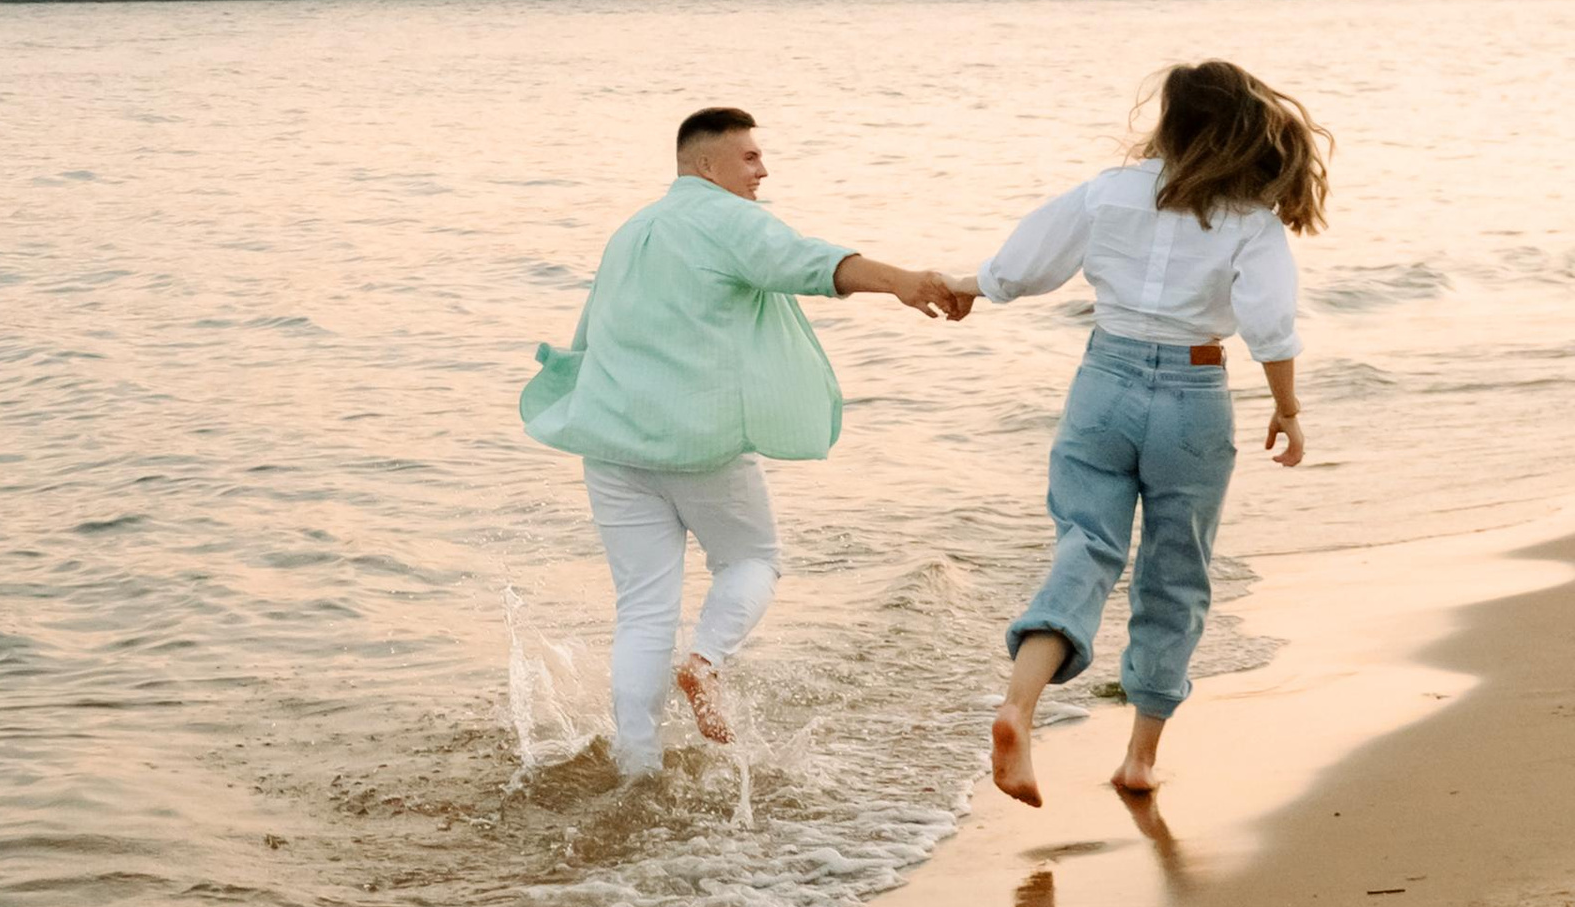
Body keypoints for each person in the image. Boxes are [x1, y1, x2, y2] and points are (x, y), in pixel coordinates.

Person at [523, 104, 971, 779]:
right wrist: (904, 282)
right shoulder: (726, 220)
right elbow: (811, 263)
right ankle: (703, 663)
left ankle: (636, 768)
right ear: (707, 165)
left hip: (611, 439)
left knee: (643, 610)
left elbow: (592, 330)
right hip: (697, 442)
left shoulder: (631, 230)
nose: (763, 169)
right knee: (753, 559)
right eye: (751, 157)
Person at [979, 57, 1327, 807]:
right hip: (1194, 394)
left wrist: (967, 287)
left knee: (1087, 546)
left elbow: (1020, 266)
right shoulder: (1251, 221)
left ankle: (1020, 704)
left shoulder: (1111, 191)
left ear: (1169, 121)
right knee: (1177, 572)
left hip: (1103, 382)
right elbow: (1271, 327)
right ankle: (1138, 759)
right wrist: (1289, 411)